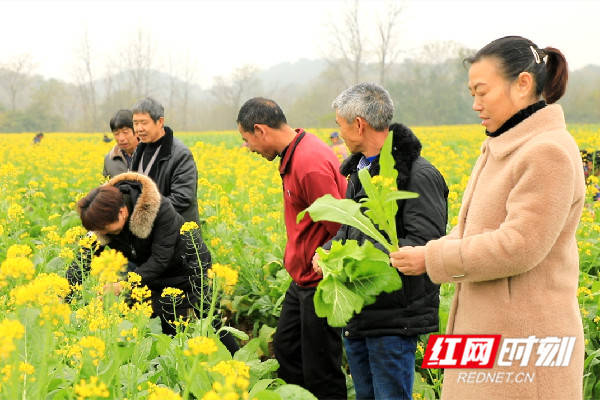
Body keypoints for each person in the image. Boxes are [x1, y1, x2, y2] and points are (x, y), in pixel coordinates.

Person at [390, 36, 585, 399]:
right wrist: (426, 251)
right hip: (489, 334)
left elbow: (519, 246)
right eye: (472, 94)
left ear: (523, 84)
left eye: (483, 92)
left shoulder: (547, 152)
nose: (476, 105)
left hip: (525, 347)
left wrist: (431, 259)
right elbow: (472, 232)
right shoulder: (504, 144)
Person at [314, 82, 448, 400]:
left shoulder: (418, 175)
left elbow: (423, 243)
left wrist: (350, 259)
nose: (339, 134)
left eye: (340, 125)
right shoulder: (360, 175)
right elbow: (351, 231)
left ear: (358, 125)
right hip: (362, 311)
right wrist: (329, 253)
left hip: (394, 318)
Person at [237, 97, 348, 399]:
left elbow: (341, 226)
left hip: (320, 283)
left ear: (260, 130)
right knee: (287, 350)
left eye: (247, 140)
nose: (250, 148)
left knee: (321, 370)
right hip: (301, 281)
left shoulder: (308, 163)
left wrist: (324, 261)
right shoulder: (296, 153)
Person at [66, 172, 208, 336]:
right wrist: (64, 292)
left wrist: (122, 285)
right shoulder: (103, 219)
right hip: (151, 275)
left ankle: (234, 357)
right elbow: (85, 256)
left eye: (106, 229)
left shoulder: (160, 210)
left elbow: (160, 260)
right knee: (156, 328)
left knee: (206, 322)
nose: (102, 234)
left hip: (189, 269)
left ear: (122, 212)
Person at [130, 97, 199, 223]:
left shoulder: (180, 154)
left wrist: (144, 211)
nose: (139, 128)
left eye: (144, 123)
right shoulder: (138, 151)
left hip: (177, 233)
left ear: (160, 122)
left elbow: (181, 199)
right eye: (135, 123)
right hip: (150, 231)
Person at [103, 109, 140, 178]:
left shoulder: (151, 155)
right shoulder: (109, 160)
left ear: (136, 131)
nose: (121, 138)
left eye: (125, 132)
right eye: (116, 133)